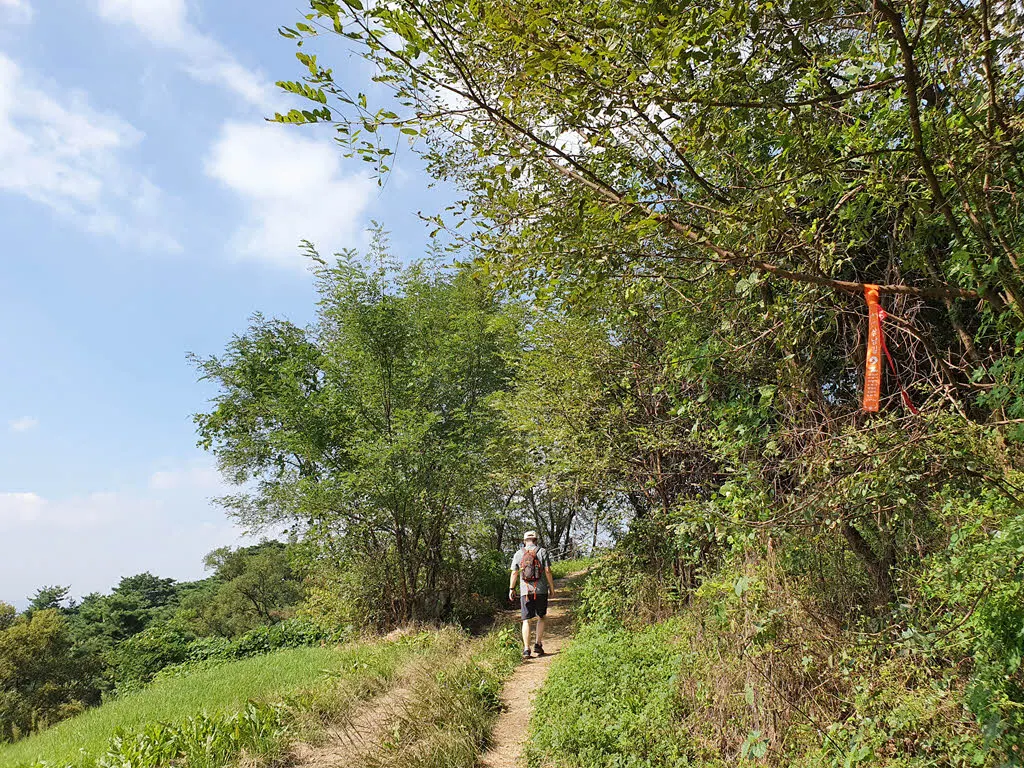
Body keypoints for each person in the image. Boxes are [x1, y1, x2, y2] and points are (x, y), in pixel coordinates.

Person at [509, 530, 555, 659]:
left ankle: (526, 649)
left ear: (524, 541)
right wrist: (551, 588)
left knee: (526, 620)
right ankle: (538, 645)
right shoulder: (542, 552)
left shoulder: (518, 554)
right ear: (536, 539)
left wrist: (511, 589)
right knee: (541, 617)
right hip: (540, 590)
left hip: (525, 592)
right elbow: (547, 571)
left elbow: (514, 573)